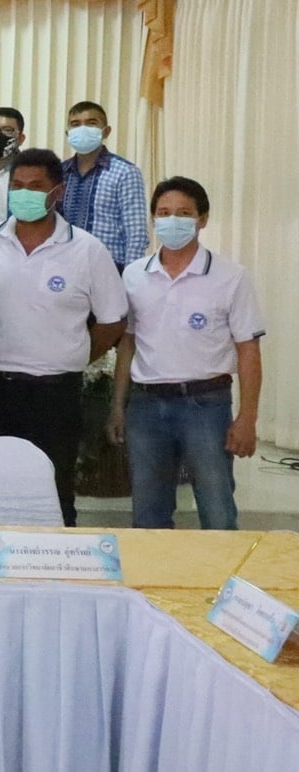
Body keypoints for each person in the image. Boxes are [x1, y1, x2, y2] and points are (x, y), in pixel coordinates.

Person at [0, 148, 127, 527]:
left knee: (55, 489)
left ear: (58, 192)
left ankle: (56, 560)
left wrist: (74, 354)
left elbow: (113, 321)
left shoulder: (87, 249)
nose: (24, 194)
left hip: (55, 394)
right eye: (17, 186)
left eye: (35, 186)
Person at [108, 177, 263, 530]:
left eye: (183, 213)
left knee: (217, 509)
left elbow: (248, 349)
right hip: (146, 406)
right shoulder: (134, 275)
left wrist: (247, 417)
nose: (172, 221)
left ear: (202, 219)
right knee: (148, 514)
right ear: (153, 219)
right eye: (164, 213)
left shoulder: (231, 276)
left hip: (206, 405)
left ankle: (223, 568)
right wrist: (118, 406)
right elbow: (128, 342)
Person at [60, 100, 148, 270]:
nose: (83, 129)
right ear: (68, 133)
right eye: (75, 124)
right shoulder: (60, 172)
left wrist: (130, 277)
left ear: (106, 131)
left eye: (91, 123)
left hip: (109, 268)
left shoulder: (125, 172)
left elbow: (136, 233)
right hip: (65, 268)